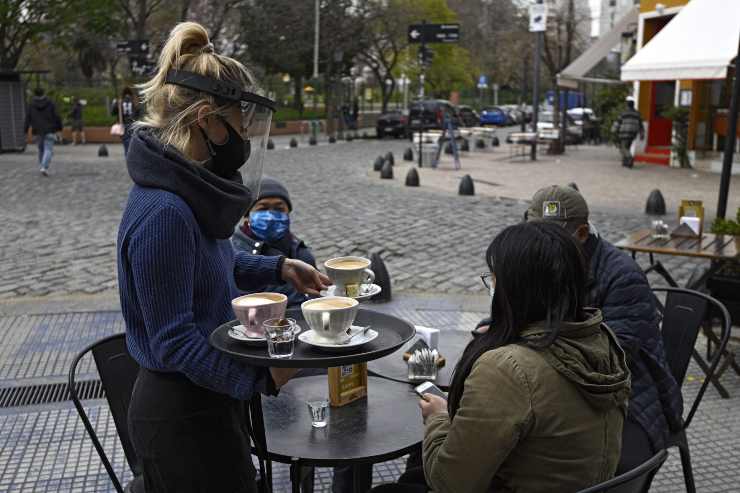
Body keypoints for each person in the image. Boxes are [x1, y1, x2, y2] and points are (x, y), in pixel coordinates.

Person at [117, 22, 329, 493]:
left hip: (206, 401)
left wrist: (278, 267)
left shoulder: (185, 188)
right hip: (181, 417)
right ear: (206, 119)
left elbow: (209, 264)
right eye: (240, 123)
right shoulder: (165, 210)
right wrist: (262, 380)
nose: (247, 134)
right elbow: (173, 340)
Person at [375, 222, 631, 493]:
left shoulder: (508, 369)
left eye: (494, 277)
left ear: (517, 288)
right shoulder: (602, 339)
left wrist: (438, 418)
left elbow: (449, 483)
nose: (492, 285)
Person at [507, 185, 682, 475]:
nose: (540, 244)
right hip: (561, 386)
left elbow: (611, 355)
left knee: (550, 460)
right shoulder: (541, 262)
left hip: (629, 395)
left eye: (552, 236)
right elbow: (509, 312)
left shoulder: (621, 274)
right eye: (535, 233)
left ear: (582, 234)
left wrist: (532, 341)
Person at [231, 176, 317, 308]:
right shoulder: (236, 255)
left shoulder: (300, 249)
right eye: (262, 208)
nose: (270, 216)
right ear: (247, 214)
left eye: (279, 209)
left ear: (288, 213)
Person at [24, 87, 63, 176]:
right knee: (48, 149)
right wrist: (59, 128)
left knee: (41, 149)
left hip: (37, 130)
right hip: (50, 129)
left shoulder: (31, 104)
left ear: (34, 94)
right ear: (44, 93)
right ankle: (44, 167)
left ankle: (42, 165)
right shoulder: (51, 103)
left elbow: (28, 118)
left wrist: (25, 130)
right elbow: (57, 116)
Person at [613, 96, 644, 168]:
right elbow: (641, 124)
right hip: (633, 133)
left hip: (624, 132)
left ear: (627, 104)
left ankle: (629, 158)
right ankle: (625, 162)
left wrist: (614, 130)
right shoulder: (637, 113)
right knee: (628, 146)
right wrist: (642, 133)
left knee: (623, 147)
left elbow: (618, 122)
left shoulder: (623, 113)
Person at [112, 86, 140, 156]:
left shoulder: (120, 101)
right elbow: (138, 112)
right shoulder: (134, 101)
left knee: (125, 142)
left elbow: (113, 112)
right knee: (132, 141)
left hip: (123, 124)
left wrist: (114, 103)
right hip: (133, 124)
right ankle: (132, 155)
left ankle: (127, 156)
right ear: (130, 93)